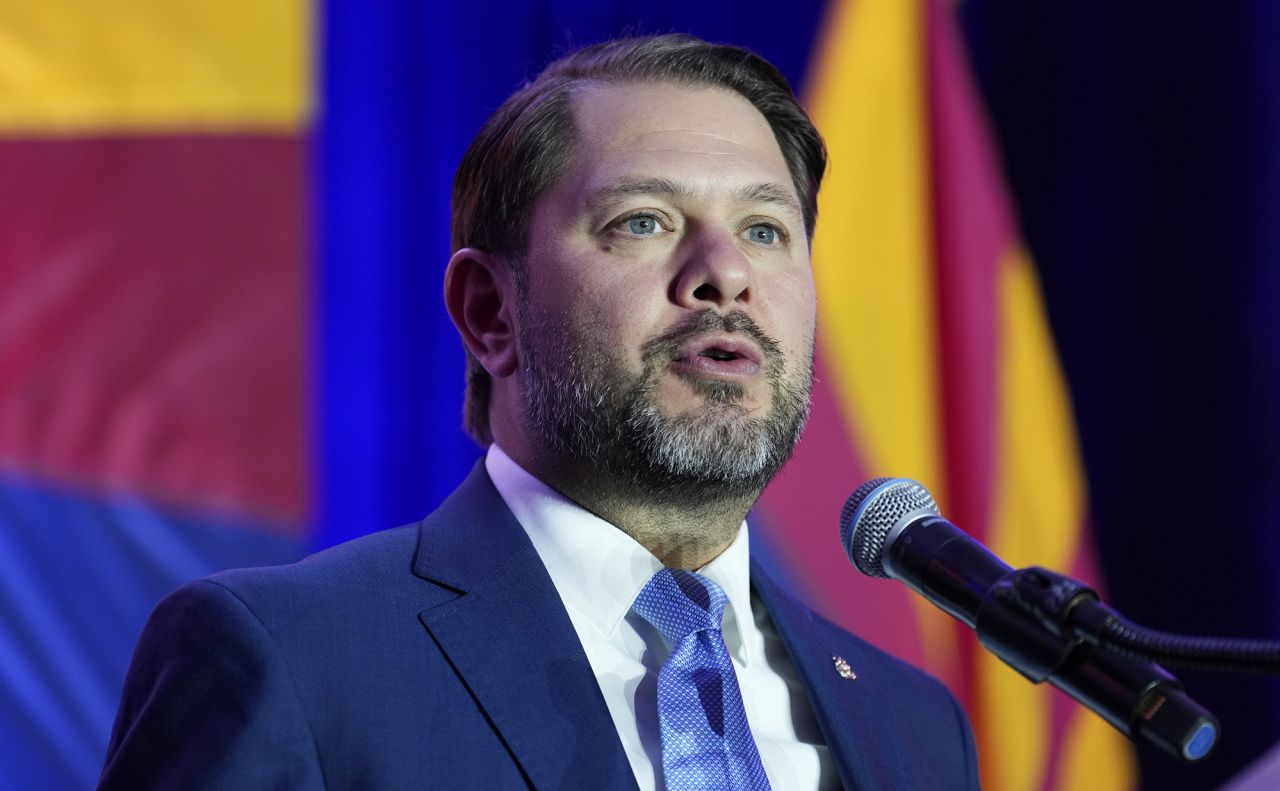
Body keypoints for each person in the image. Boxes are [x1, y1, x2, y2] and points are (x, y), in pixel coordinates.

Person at [100, 34, 980, 790]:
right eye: (643, 221)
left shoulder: (911, 722)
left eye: (765, 230)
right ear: (491, 310)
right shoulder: (290, 658)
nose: (727, 272)